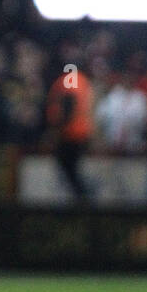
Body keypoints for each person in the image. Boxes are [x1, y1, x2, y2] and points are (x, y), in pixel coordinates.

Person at [45, 58, 94, 201]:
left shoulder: (70, 79)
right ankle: (81, 198)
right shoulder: (84, 81)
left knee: (69, 169)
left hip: (69, 134)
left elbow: (69, 103)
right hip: (81, 133)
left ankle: (82, 199)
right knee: (73, 170)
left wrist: (57, 130)